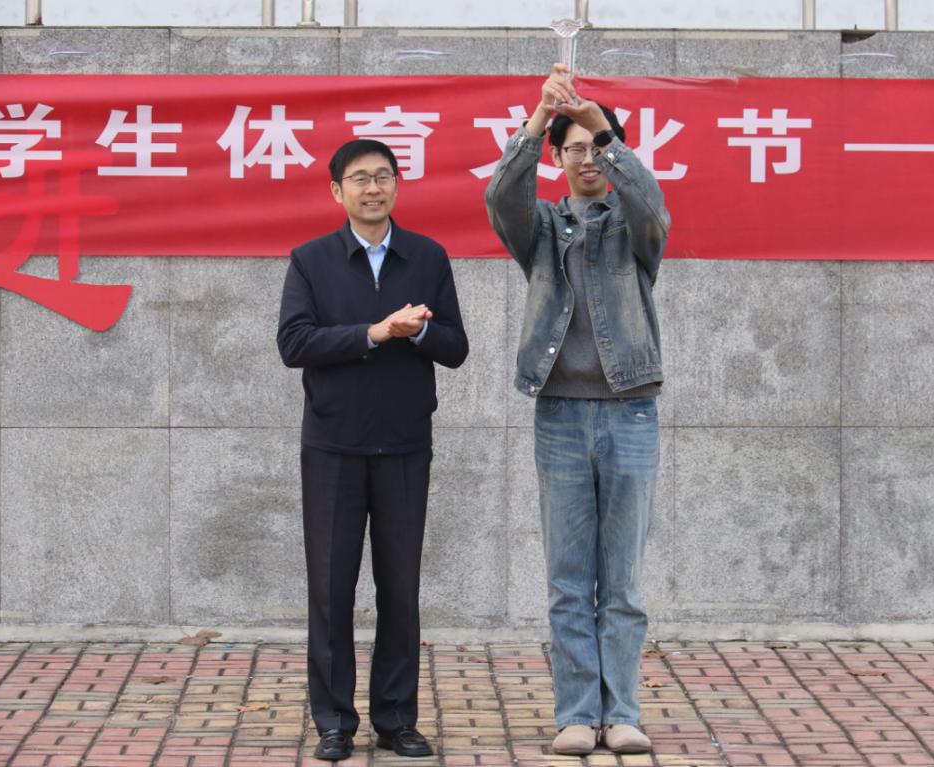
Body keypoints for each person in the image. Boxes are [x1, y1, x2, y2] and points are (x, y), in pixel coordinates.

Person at [484, 65, 670, 756]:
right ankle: (576, 713)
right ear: (558, 159)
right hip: (560, 415)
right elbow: (500, 194)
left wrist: (603, 129)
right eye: (575, 150)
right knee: (568, 579)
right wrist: (539, 120)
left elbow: (649, 201)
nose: (587, 159)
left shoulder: (633, 228)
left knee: (621, 580)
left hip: (630, 413)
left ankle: (622, 712)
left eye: (596, 149)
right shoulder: (539, 227)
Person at [277, 138, 468, 762]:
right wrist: (374, 332)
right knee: (331, 589)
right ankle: (334, 722)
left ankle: (396, 718)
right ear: (337, 191)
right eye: (359, 178)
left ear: (397, 185)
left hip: (406, 443)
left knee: (400, 588)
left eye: (384, 176)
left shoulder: (427, 256)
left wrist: (418, 332)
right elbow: (294, 344)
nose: (373, 188)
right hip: (333, 445)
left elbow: (456, 347)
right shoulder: (312, 260)